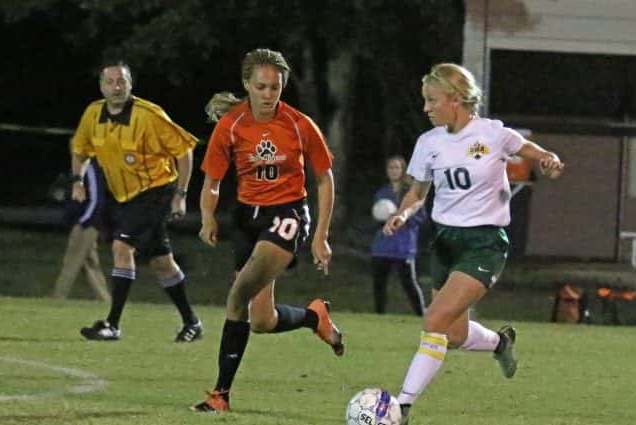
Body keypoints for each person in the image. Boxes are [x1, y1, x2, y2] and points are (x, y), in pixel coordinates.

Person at [383, 63, 564, 425]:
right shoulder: (428, 142)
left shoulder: (492, 133)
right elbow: (418, 191)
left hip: (483, 244)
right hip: (445, 242)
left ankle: (401, 407)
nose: (426, 108)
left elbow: (529, 149)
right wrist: (403, 214)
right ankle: (500, 343)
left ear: (456, 99)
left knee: (434, 320)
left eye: (432, 100)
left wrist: (548, 159)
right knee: (452, 333)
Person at [191, 48, 343, 413]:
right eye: (260, 86)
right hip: (247, 218)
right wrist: (207, 216)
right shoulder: (231, 125)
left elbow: (324, 179)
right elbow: (212, 180)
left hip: (288, 213)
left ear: (282, 86)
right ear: (247, 85)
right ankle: (314, 317)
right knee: (261, 320)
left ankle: (220, 396)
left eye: (274, 87)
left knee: (237, 294)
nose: (267, 94)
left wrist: (320, 235)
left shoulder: (299, 124)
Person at [71, 60, 203, 343]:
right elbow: (80, 149)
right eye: (110, 82)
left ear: (130, 85)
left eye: (122, 81)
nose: (116, 87)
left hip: (157, 191)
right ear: (101, 86)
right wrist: (77, 180)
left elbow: (184, 151)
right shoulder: (93, 114)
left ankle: (112, 324)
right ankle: (192, 322)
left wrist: (180, 195)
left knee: (122, 247)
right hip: (125, 197)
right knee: (162, 263)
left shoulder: (149, 115)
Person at [371, 155, 427, 315]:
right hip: (382, 246)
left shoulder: (411, 194)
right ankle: (378, 316)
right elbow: (375, 218)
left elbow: (421, 217)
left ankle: (420, 315)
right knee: (379, 283)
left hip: (403, 246)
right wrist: (383, 219)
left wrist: (401, 217)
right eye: (390, 168)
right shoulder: (382, 193)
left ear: (403, 170)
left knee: (409, 283)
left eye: (397, 167)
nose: (393, 171)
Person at [53, 157, 111, 302]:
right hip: (85, 221)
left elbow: (96, 199)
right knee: (91, 263)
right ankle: (105, 300)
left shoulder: (90, 167)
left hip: (86, 223)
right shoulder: (78, 168)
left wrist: (84, 222)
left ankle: (58, 298)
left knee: (72, 261)